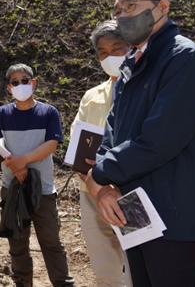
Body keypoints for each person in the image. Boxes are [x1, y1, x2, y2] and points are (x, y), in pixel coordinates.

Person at [85, 0, 195, 287]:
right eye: (118, 9)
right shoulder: (133, 61)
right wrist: (104, 187)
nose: (123, 15)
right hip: (134, 209)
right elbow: (113, 129)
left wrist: (102, 172)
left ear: (162, 7)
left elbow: (162, 139)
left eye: (131, 5)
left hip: (175, 213)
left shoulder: (183, 58)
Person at [0, 63, 74, 287]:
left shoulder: (48, 112)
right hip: (12, 188)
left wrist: (23, 161)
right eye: (15, 82)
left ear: (34, 83)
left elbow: (52, 144)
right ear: (9, 88)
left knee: (51, 242)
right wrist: (16, 167)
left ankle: (63, 283)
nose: (21, 85)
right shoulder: (2, 114)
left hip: (43, 190)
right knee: (17, 243)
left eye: (25, 81)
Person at [72, 20, 132, 287]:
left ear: (132, 47)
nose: (110, 57)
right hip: (92, 193)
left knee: (137, 270)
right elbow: (78, 147)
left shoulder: (145, 91)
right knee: (104, 269)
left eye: (117, 48)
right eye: (103, 53)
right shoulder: (92, 96)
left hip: (131, 193)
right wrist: (97, 188)